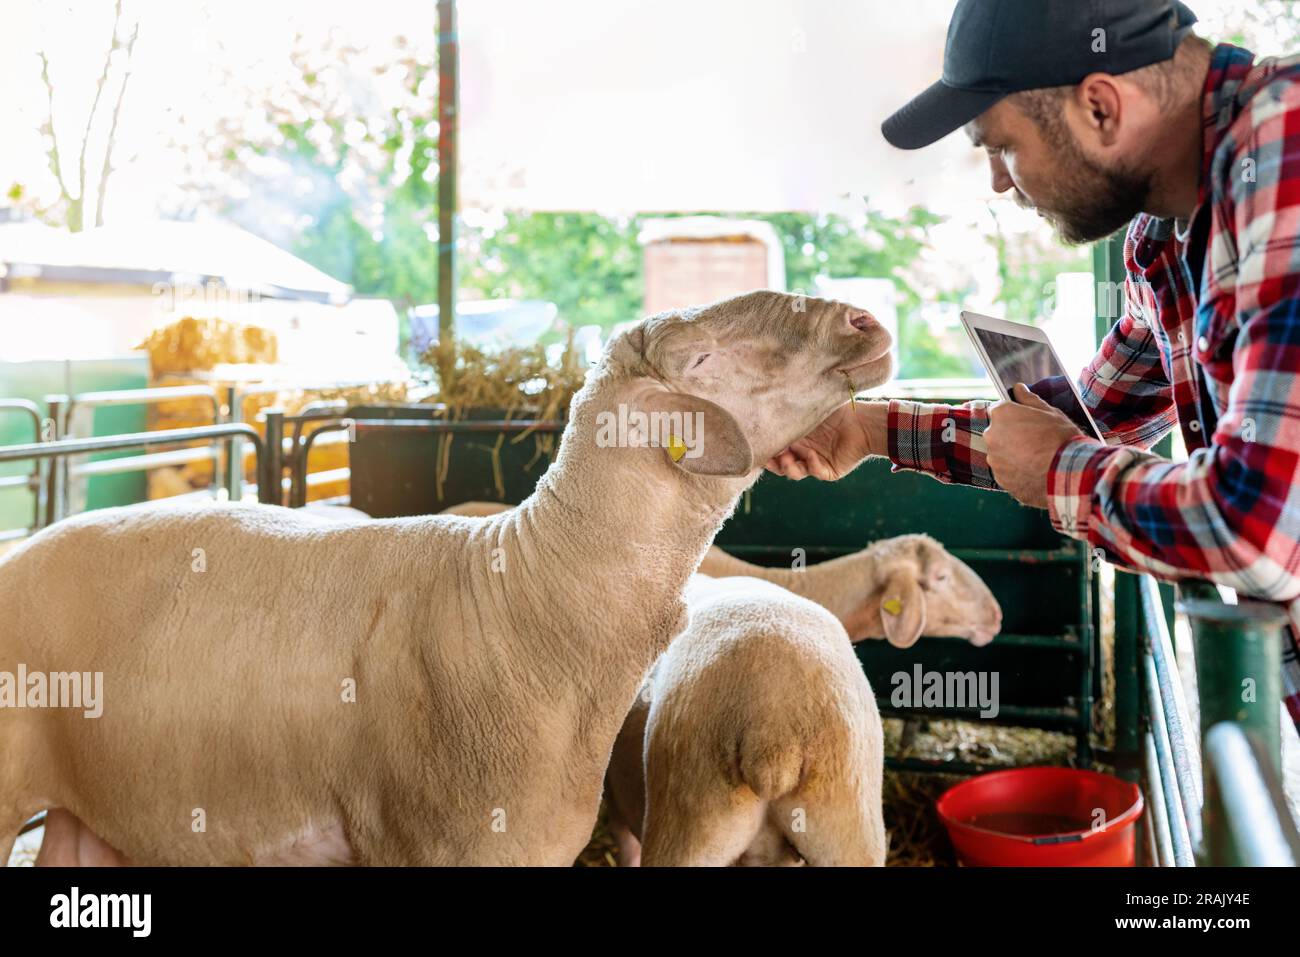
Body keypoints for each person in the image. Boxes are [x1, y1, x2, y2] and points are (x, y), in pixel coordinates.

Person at [766, 0, 1300, 728]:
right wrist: (867, 430)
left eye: (1001, 146)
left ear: (1101, 108)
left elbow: (1257, 531)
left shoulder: (1284, 153)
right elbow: (1081, 426)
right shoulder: (1164, 240)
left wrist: (1058, 467)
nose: (998, 182)